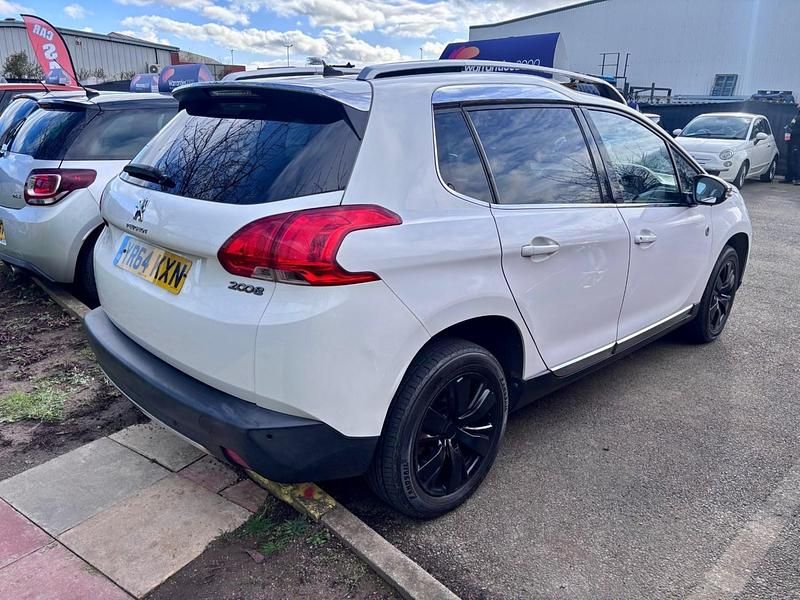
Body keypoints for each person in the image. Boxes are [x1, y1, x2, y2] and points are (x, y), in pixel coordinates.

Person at [783, 104, 800, 184]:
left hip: (797, 141)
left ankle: (798, 178)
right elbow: (793, 125)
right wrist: (788, 128)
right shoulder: (797, 115)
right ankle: (789, 177)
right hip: (792, 141)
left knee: (797, 159)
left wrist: (792, 131)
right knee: (790, 158)